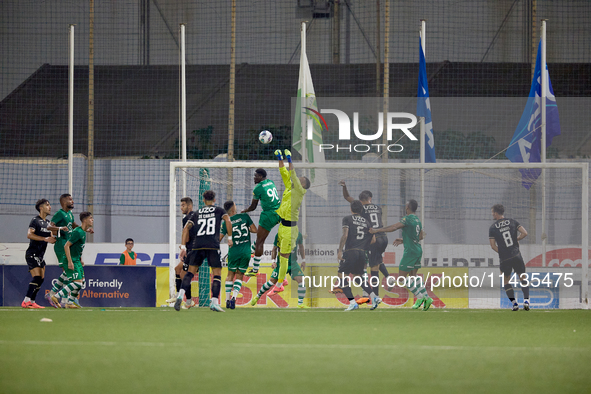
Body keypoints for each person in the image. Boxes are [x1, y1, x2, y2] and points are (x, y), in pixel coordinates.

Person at [175, 190, 233, 312]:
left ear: (203, 200)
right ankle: (214, 302)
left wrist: (183, 247)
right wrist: (230, 238)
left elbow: (186, 229)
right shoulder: (219, 210)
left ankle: (180, 296)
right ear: (215, 200)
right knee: (216, 274)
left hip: (197, 245)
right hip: (212, 245)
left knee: (190, 273)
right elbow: (228, 221)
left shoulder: (197, 212)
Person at [370, 199, 432, 310]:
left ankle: (420, 297)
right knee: (413, 276)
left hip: (410, 252)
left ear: (407, 207)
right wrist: (404, 240)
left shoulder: (407, 219)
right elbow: (421, 236)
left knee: (402, 279)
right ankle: (427, 297)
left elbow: (393, 227)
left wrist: (376, 230)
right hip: (418, 250)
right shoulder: (417, 220)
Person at [339, 182, 390, 305]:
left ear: (360, 201)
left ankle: (373, 297)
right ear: (370, 199)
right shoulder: (378, 207)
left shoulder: (359, 208)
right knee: (376, 263)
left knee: (371, 267)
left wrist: (345, 187)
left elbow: (347, 198)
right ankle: (380, 285)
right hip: (383, 236)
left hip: (372, 238)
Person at [270, 149, 310, 295]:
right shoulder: (290, 186)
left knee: (284, 256)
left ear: (303, 185)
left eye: (302, 179)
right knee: (281, 254)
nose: (299, 178)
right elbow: (284, 172)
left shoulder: (300, 191)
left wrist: (290, 159)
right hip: (282, 224)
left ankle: (280, 283)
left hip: (290, 228)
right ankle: (283, 280)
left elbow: (292, 173)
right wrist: (280, 159)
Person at [45, 193, 90, 308]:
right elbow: (49, 226)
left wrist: (85, 228)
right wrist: (60, 228)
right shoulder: (59, 214)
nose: (72, 201)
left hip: (69, 244)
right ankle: (53, 294)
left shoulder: (69, 214)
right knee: (68, 270)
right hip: (61, 244)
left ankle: (66, 301)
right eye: (70, 200)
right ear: (64, 202)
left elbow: (74, 225)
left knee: (68, 273)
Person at [338, 200, 380, 311]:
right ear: (361, 210)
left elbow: (345, 235)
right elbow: (373, 240)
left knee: (342, 276)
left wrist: (339, 250)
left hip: (350, 252)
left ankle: (352, 303)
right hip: (362, 253)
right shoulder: (367, 222)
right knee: (357, 277)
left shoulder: (347, 219)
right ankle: (374, 296)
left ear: (351, 208)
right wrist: (361, 245)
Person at [250, 230, 308, 308]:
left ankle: (300, 304)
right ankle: (258, 296)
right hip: (281, 263)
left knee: (301, 280)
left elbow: (301, 247)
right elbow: (274, 248)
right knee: (270, 283)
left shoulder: (298, 234)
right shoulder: (280, 234)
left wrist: (303, 260)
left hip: (293, 263)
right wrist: (273, 261)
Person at [489, 204, 530, 311]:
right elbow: (525, 233)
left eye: (492, 212)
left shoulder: (493, 228)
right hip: (516, 255)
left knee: (506, 281)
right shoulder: (513, 222)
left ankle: (514, 304)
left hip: (505, 258)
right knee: (522, 278)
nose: (492, 214)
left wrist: (503, 253)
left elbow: (493, 246)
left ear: (496, 213)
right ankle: (526, 301)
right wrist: (516, 240)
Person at [242, 168, 281, 276]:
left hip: (269, 215)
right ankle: (251, 250)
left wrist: (245, 210)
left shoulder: (258, 188)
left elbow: (253, 207)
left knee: (260, 241)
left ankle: (255, 270)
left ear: (260, 176)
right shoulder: (271, 182)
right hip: (280, 212)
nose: (254, 178)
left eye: (255, 176)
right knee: (260, 236)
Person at [50, 211, 93, 309]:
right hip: (71, 260)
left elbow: (78, 248)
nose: (92, 220)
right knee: (77, 282)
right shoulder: (77, 232)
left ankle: (69, 303)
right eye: (91, 218)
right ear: (85, 220)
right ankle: (55, 296)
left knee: (80, 283)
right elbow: (66, 246)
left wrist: (80, 259)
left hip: (77, 260)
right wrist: (69, 261)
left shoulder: (82, 231)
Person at [220, 201, 257, 309]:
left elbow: (220, 238)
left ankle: (227, 300)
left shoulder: (225, 222)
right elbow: (255, 230)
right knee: (240, 275)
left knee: (230, 275)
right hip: (245, 251)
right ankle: (234, 298)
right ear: (232, 209)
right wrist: (246, 228)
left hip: (234, 251)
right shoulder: (244, 217)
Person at [21, 199, 56, 309]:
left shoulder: (49, 223)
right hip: (32, 253)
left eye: (49, 205)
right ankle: (26, 301)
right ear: (41, 208)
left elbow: (52, 237)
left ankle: (32, 301)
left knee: (41, 279)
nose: (50, 207)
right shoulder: (35, 220)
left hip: (40, 255)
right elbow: (29, 235)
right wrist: (45, 239)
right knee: (36, 277)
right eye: (47, 205)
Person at [167, 197, 197, 308]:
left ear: (189, 206)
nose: (181, 208)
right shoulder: (195, 216)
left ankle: (185, 299)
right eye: (181, 205)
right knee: (177, 269)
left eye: (183, 205)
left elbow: (187, 236)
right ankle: (183, 298)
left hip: (192, 251)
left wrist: (183, 246)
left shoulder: (187, 219)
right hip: (193, 249)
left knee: (184, 274)